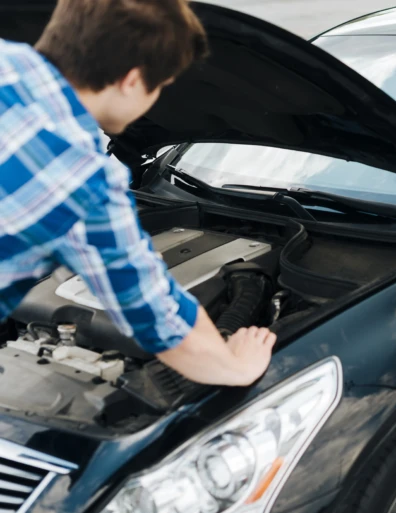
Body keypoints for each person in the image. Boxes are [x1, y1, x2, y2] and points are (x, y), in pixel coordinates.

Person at [0, 0, 275, 386]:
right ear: (132, 80)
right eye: (160, 86)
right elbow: (159, 318)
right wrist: (239, 367)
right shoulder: (83, 180)